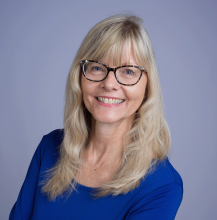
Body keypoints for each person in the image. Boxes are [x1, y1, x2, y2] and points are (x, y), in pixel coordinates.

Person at [9, 14, 183, 220]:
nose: (109, 84)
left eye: (128, 71)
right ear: (80, 78)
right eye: (97, 68)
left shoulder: (162, 186)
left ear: (147, 86)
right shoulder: (49, 148)